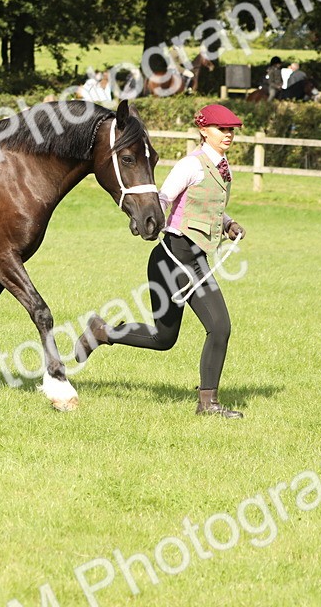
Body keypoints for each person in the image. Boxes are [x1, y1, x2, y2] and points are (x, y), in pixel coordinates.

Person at [80, 103, 248, 419]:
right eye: (221, 129)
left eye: (230, 130)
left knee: (163, 339)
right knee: (220, 327)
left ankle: (101, 333)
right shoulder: (191, 165)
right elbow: (163, 199)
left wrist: (228, 223)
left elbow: (209, 207)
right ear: (203, 131)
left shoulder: (222, 167)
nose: (227, 135)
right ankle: (208, 404)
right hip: (174, 257)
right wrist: (141, 219)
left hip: (193, 258)